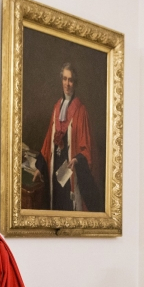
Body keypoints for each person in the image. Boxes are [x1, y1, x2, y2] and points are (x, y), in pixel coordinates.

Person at [33, 62, 103, 212]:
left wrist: (78, 159)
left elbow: (86, 146)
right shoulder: (56, 107)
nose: (67, 84)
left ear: (75, 82)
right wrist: (40, 166)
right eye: (64, 79)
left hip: (71, 171)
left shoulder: (81, 110)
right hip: (56, 168)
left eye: (70, 80)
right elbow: (48, 141)